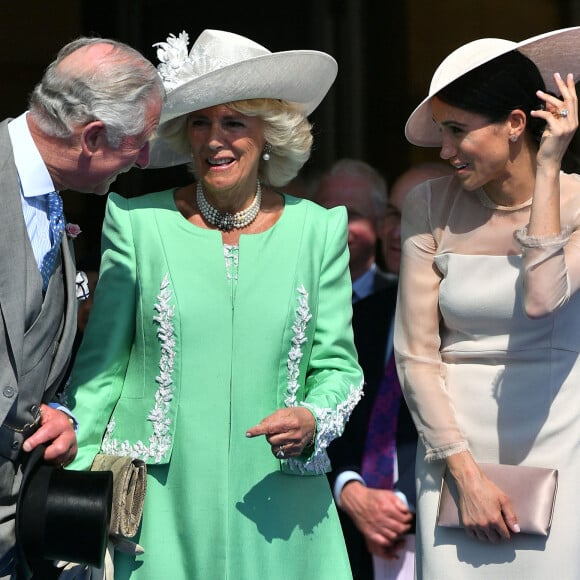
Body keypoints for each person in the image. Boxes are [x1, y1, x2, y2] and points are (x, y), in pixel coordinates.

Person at [66, 29, 364, 580]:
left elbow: (339, 367)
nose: (213, 140)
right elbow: (100, 371)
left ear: (269, 133)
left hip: (279, 500)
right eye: (200, 122)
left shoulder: (320, 230)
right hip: (159, 501)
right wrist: (77, 483)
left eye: (233, 122)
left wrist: (312, 417)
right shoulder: (136, 223)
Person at [398, 26, 580, 578]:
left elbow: (543, 299)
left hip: (562, 439)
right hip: (452, 448)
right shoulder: (427, 204)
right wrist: (465, 475)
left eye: (457, 131)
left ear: (516, 125)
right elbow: (415, 355)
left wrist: (548, 169)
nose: (446, 151)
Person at [0, 36, 163, 578]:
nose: (143, 160)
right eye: (138, 142)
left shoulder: (52, 197)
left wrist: (59, 416)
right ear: (92, 136)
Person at [327, 163, 451, 580]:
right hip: (356, 543)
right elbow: (333, 415)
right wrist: (350, 487)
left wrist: (403, 502)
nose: (399, 232)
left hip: (448, 533)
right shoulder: (360, 316)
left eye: (418, 215)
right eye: (395, 215)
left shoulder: (473, 328)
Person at [313, 159, 393, 301]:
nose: (338, 226)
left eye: (352, 215)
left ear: (380, 223)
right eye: (327, 212)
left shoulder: (398, 296)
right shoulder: (294, 292)